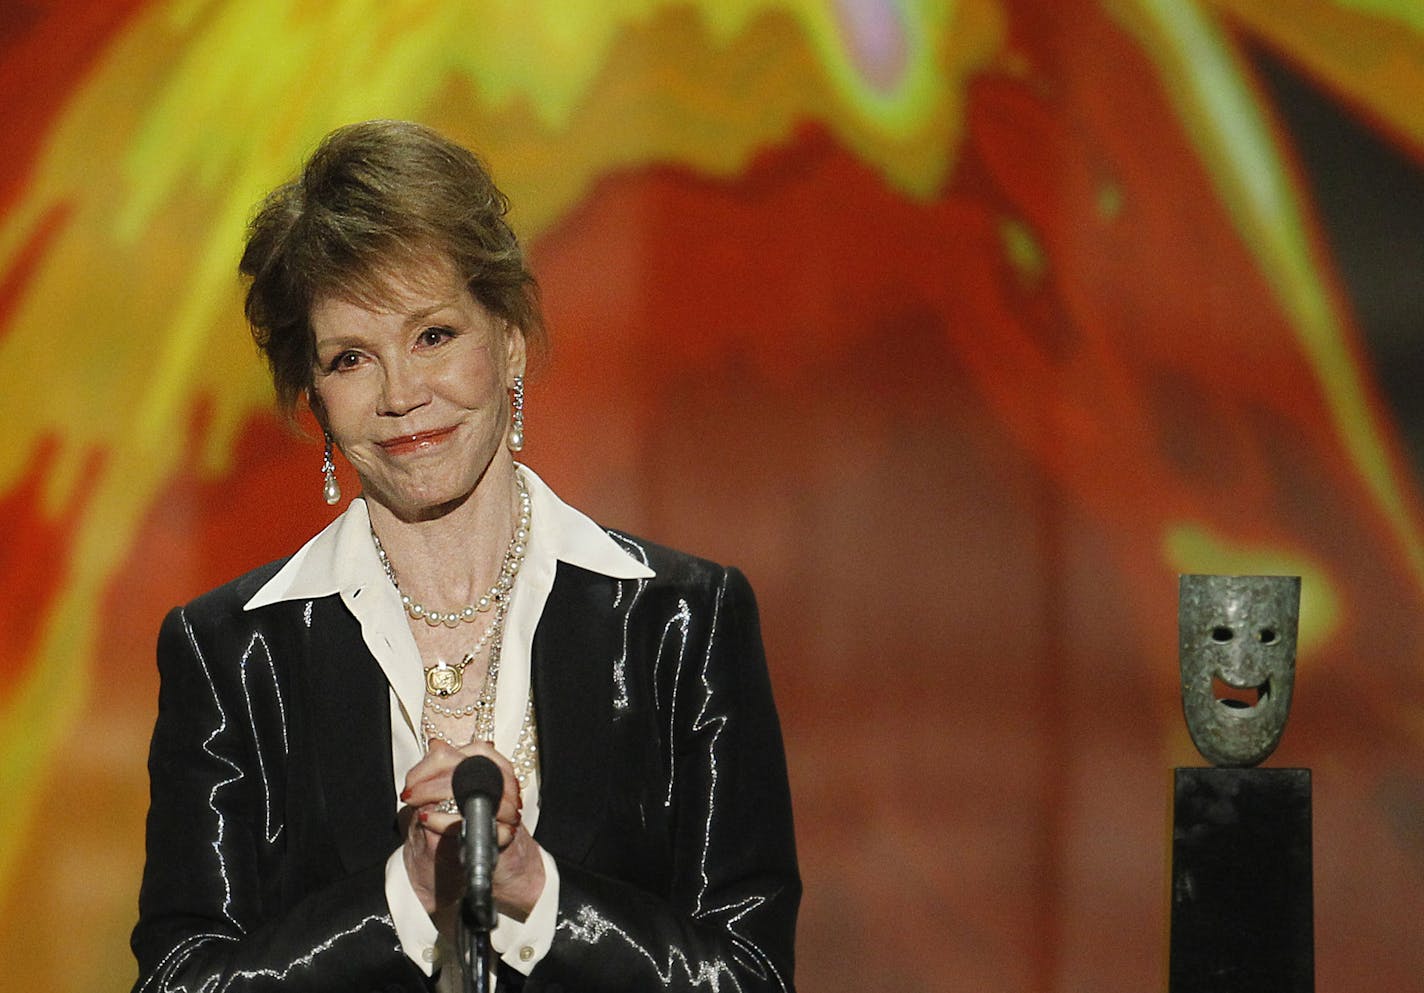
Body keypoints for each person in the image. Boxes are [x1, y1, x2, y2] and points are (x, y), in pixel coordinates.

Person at [130, 119, 800, 993]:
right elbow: (180, 982)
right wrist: (402, 897)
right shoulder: (231, 654)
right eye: (351, 358)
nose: (403, 395)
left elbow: (750, 975)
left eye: (435, 335)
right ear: (314, 399)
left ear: (511, 336)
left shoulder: (681, 622)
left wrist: (537, 891)